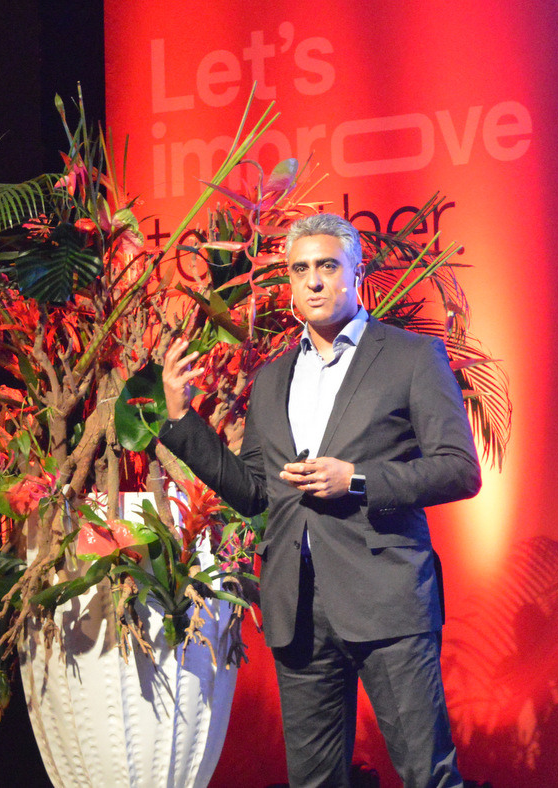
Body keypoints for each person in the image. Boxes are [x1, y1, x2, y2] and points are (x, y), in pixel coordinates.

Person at [159, 212, 481, 788]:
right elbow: (255, 492)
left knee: (427, 776)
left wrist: (356, 479)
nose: (313, 281)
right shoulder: (274, 378)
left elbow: (459, 470)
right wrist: (183, 419)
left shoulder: (411, 357)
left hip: (386, 599)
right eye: (300, 269)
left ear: (357, 273)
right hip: (298, 607)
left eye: (328, 266)